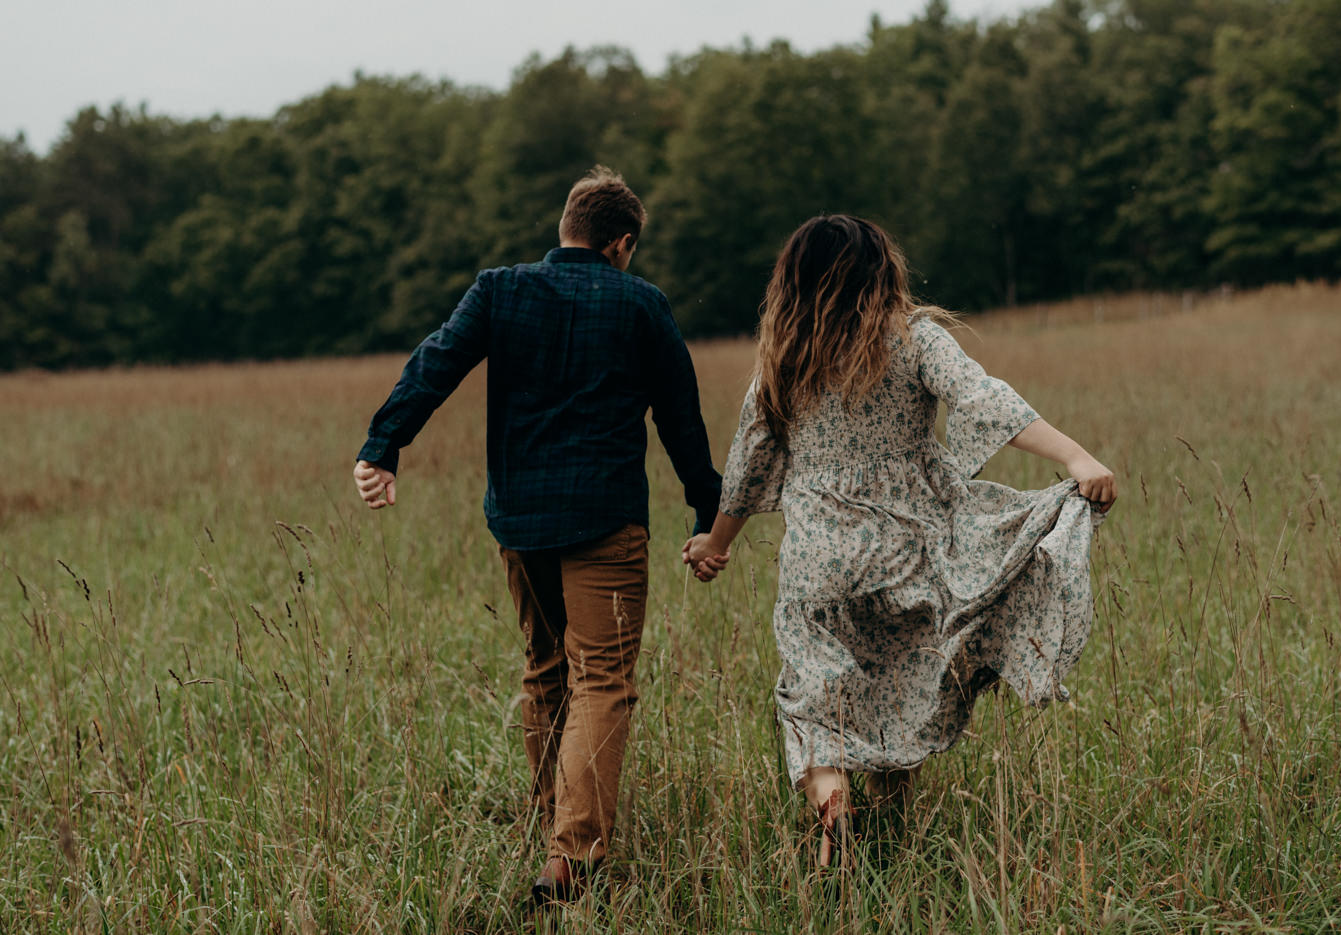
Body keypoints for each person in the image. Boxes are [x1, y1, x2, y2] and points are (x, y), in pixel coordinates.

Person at [682, 215, 1115, 867]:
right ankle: (885, 837)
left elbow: (745, 470)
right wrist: (1078, 458)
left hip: (818, 558)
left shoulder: (783, 360)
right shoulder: (914, 340)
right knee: (902, 683)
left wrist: (715, 544)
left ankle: (835, 809)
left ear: (792, 282)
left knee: (810, 698)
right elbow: (983, 397)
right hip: (911, 551)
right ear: (883, 270)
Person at [353, 166, 722, 903]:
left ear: (566, 228)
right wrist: (707, 513)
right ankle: (571, 860)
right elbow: (680, 415)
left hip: (520, 521)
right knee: (604, 679)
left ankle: (549, 819)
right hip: (604, 523)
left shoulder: (501, 288)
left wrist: (382, 446)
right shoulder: (642, 303)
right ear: (621, 243)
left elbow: (436, 363)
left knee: (546, 669)